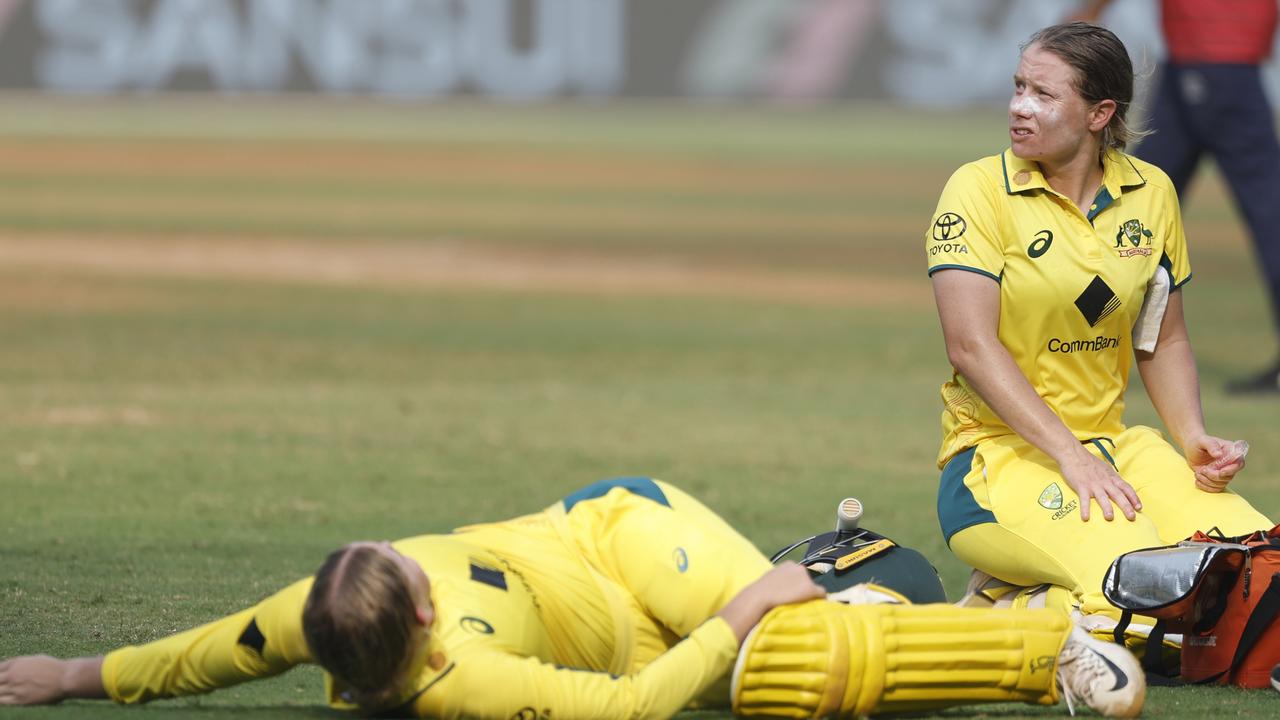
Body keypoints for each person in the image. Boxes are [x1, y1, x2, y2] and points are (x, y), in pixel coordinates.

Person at [0, 476, 1144, 718]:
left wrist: (70, 676)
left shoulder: (318, 615)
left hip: (616, 530)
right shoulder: (467, 683)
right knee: (778, 670)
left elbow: (203, 653)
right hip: (633, 631)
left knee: (773, 660)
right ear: (421, 621)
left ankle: (1030, 642)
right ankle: (1004, 628)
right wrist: (740, 619)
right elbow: (638, 709)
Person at [926, 22, 1273, 626]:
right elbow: (970, 348)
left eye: (1043, 94)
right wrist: (1070, 454)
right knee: (1141, 589)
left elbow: (1162, 336)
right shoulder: (978, 189)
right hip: (996, 457)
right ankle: (1015, 604)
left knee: (1255, 568)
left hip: (1115, 447)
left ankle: (1033, 596)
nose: (1018, 107)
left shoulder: (1153, 192)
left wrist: (1192, 438)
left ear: (1099, 113)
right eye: (1017, 87)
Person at [1074, 0, 1280, 394]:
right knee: (1130, 207)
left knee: (1130, 209)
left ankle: (1075, 340)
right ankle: (1076, 339)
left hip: (1215, 60)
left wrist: (1089, 12)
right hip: (1206, 63)